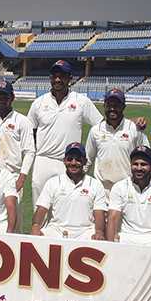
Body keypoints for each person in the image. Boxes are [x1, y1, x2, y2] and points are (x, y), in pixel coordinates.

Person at [26, 60, 103, 207]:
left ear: (69, 78)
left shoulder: (81, 101)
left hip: (68, 162)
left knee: (66, 207)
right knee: (40, 206)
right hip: (43, 160)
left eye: (62, 76)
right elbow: (29, 131)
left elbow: (101, 126)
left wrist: (129, 122)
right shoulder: (39, 103)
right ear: (50, 78)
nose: (57, 79)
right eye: (54, 76)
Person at [0, 79, 35, 229]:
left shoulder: (22, 121)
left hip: (12, 176)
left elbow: (29, 151)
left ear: (12, 98)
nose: (2, 100)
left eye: (5, 96)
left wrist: (22, 178)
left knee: (13, 222)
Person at [31, 142, 107, 240]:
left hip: (85, 232)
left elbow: (99, 213)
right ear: (64, 161)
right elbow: (41, 209)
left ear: (85, 161)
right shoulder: (53, 182)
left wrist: (99, 232)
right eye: (70, 159)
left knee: (97, 237)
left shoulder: (95, 184)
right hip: (56, 230)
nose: (73, 163)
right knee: (39, 235)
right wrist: (36, 226)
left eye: (78, 159)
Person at [107, 146, 151, 247]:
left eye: (143, 165)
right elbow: (112, 218)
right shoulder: (119, 187)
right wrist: (110, 247)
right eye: (135, 164)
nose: (139, 168)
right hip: (127, 237)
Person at [85, 88, 148, 194]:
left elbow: (146, 157)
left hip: (127, 188)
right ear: (104, 106)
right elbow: (87, 160)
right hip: (101, 189)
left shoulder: (134, 129)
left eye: (117, 105)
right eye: (109, 105)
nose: (112, 109)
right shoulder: (95, 130)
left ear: (123, 107)